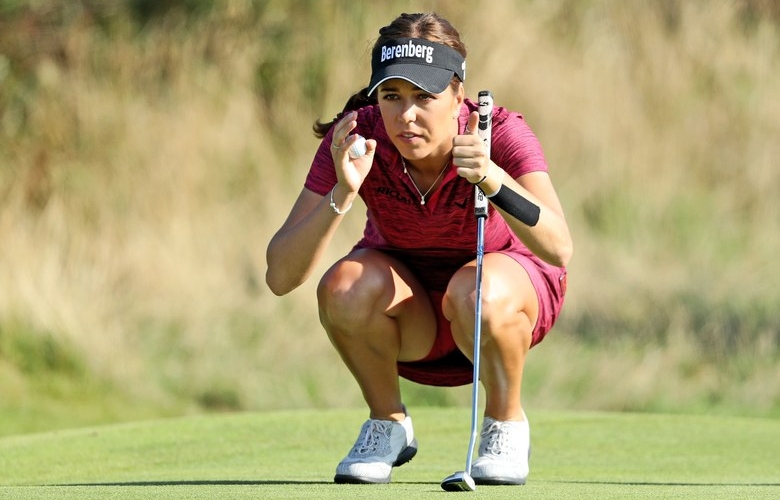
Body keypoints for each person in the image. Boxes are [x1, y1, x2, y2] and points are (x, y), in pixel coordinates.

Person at [265, 12, 572, 485]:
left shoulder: (499, 133)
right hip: (412, 319)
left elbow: (559, 247)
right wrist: (341, 196)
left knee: (476, 291)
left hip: (497, 306)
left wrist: (492, 179)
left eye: (424, 97)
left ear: (457, 95)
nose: (405, 115)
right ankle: (387, 423)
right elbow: (280, 276)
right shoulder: (356, 137)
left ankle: (505, 424)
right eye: (392, 96)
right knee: (343, 286)